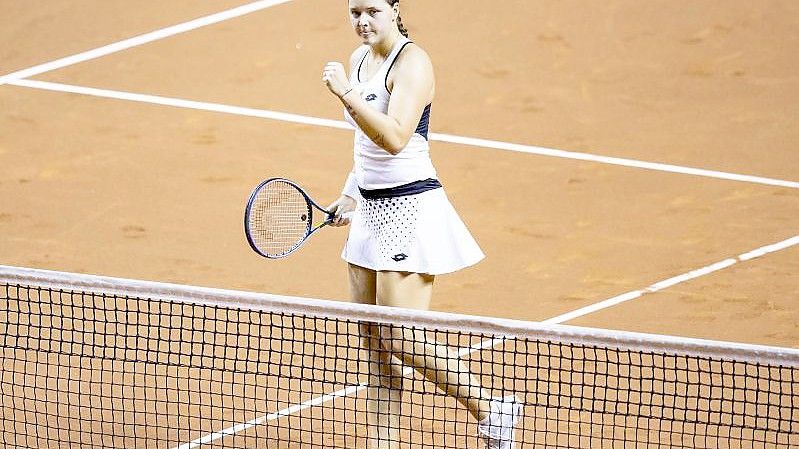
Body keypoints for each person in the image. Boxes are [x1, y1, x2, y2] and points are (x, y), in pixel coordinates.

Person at [321, 1, 522, 448]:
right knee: (374, 343)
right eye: (354, 11)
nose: (362, 21)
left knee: (402, 338)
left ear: (394, 9)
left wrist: (346, 95)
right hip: (370, 212)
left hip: (409, 210)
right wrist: (348, 194)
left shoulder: (413, 64)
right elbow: (365, 145)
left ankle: (493, 410)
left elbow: (394, 139)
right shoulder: (358, 60)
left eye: (372, 9)